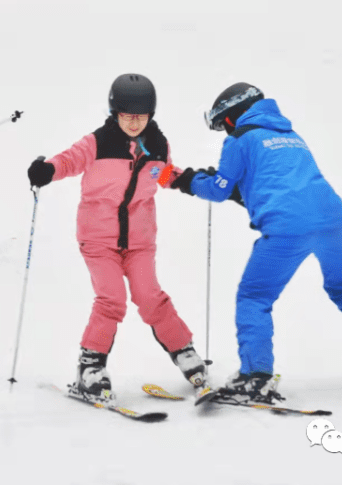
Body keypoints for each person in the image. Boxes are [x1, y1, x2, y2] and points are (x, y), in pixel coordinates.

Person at [170, 83, 342, 406]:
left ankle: (256, 377)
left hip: (287, 228)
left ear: (232, 117)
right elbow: (282, 188)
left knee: (254, 296)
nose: (225, 130)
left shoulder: (239, 139)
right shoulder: (291, 137)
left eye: (223, 123)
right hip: (330, 219)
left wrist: (187, 180)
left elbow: (218, 189)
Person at [26, 74, 209, 402]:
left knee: (151, 297)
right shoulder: (98, 143)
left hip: (139, 240)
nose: (135, 122)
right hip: (98, 239)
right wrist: (48, 170)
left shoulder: (157, 146)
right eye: (128, 115)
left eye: (142, 116)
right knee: (111, 299)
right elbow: (69, 160)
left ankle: (185, 351)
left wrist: (191, 181)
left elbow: (163, 173)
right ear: (115, 113)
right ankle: (91, 368)